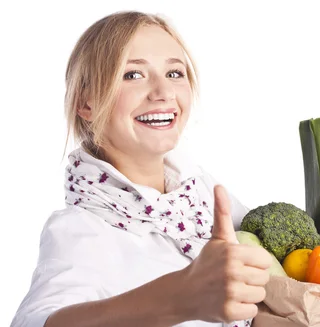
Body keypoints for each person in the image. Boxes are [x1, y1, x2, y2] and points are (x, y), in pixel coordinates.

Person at [11, 10, 272, 327]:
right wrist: (179, 297)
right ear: (86, 103)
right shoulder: (81, 229)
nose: (164, 93)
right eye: (132, 75)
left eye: (175, 73)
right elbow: (32, 322)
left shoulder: (200, 191)